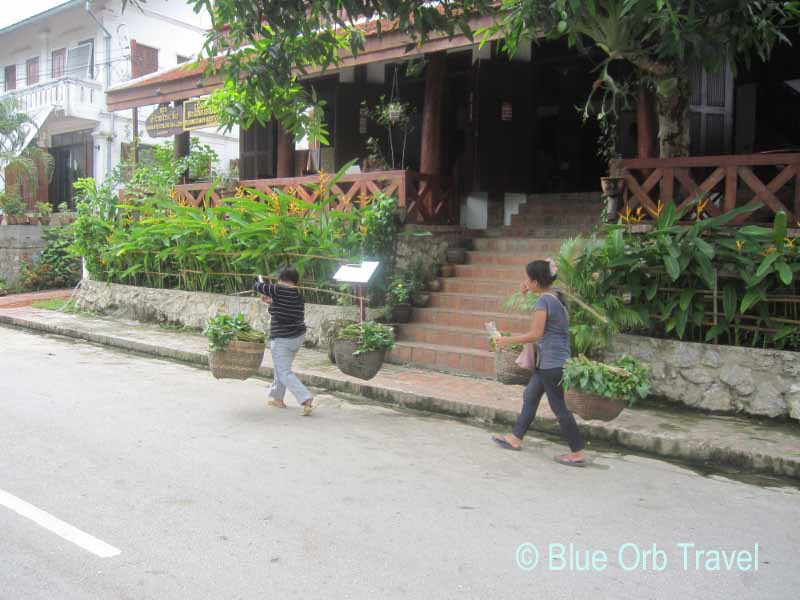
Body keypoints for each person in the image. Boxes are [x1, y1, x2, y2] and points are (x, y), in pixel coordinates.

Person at [491, 259, 586, 467]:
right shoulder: (555, 297)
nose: (524, 281)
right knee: (531, 395)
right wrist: (528, 291)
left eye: (527, 278)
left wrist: (506, 340)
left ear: (535, 282)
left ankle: (577, 451)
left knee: (559, 407)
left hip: (552, 363)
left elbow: (536, 334)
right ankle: (515, 438)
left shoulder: (544, 301)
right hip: (551, 362)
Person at [253, 267, 315, 416]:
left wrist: (261, 284)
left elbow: (258, 286)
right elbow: (282, 312)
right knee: (281, 368)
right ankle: (277, 398)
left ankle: (306, 399)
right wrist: (272, 302)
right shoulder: (298, 295)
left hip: (283, 338)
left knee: (283, 371)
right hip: (297, 336)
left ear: (282, 279)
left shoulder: (279, 289)